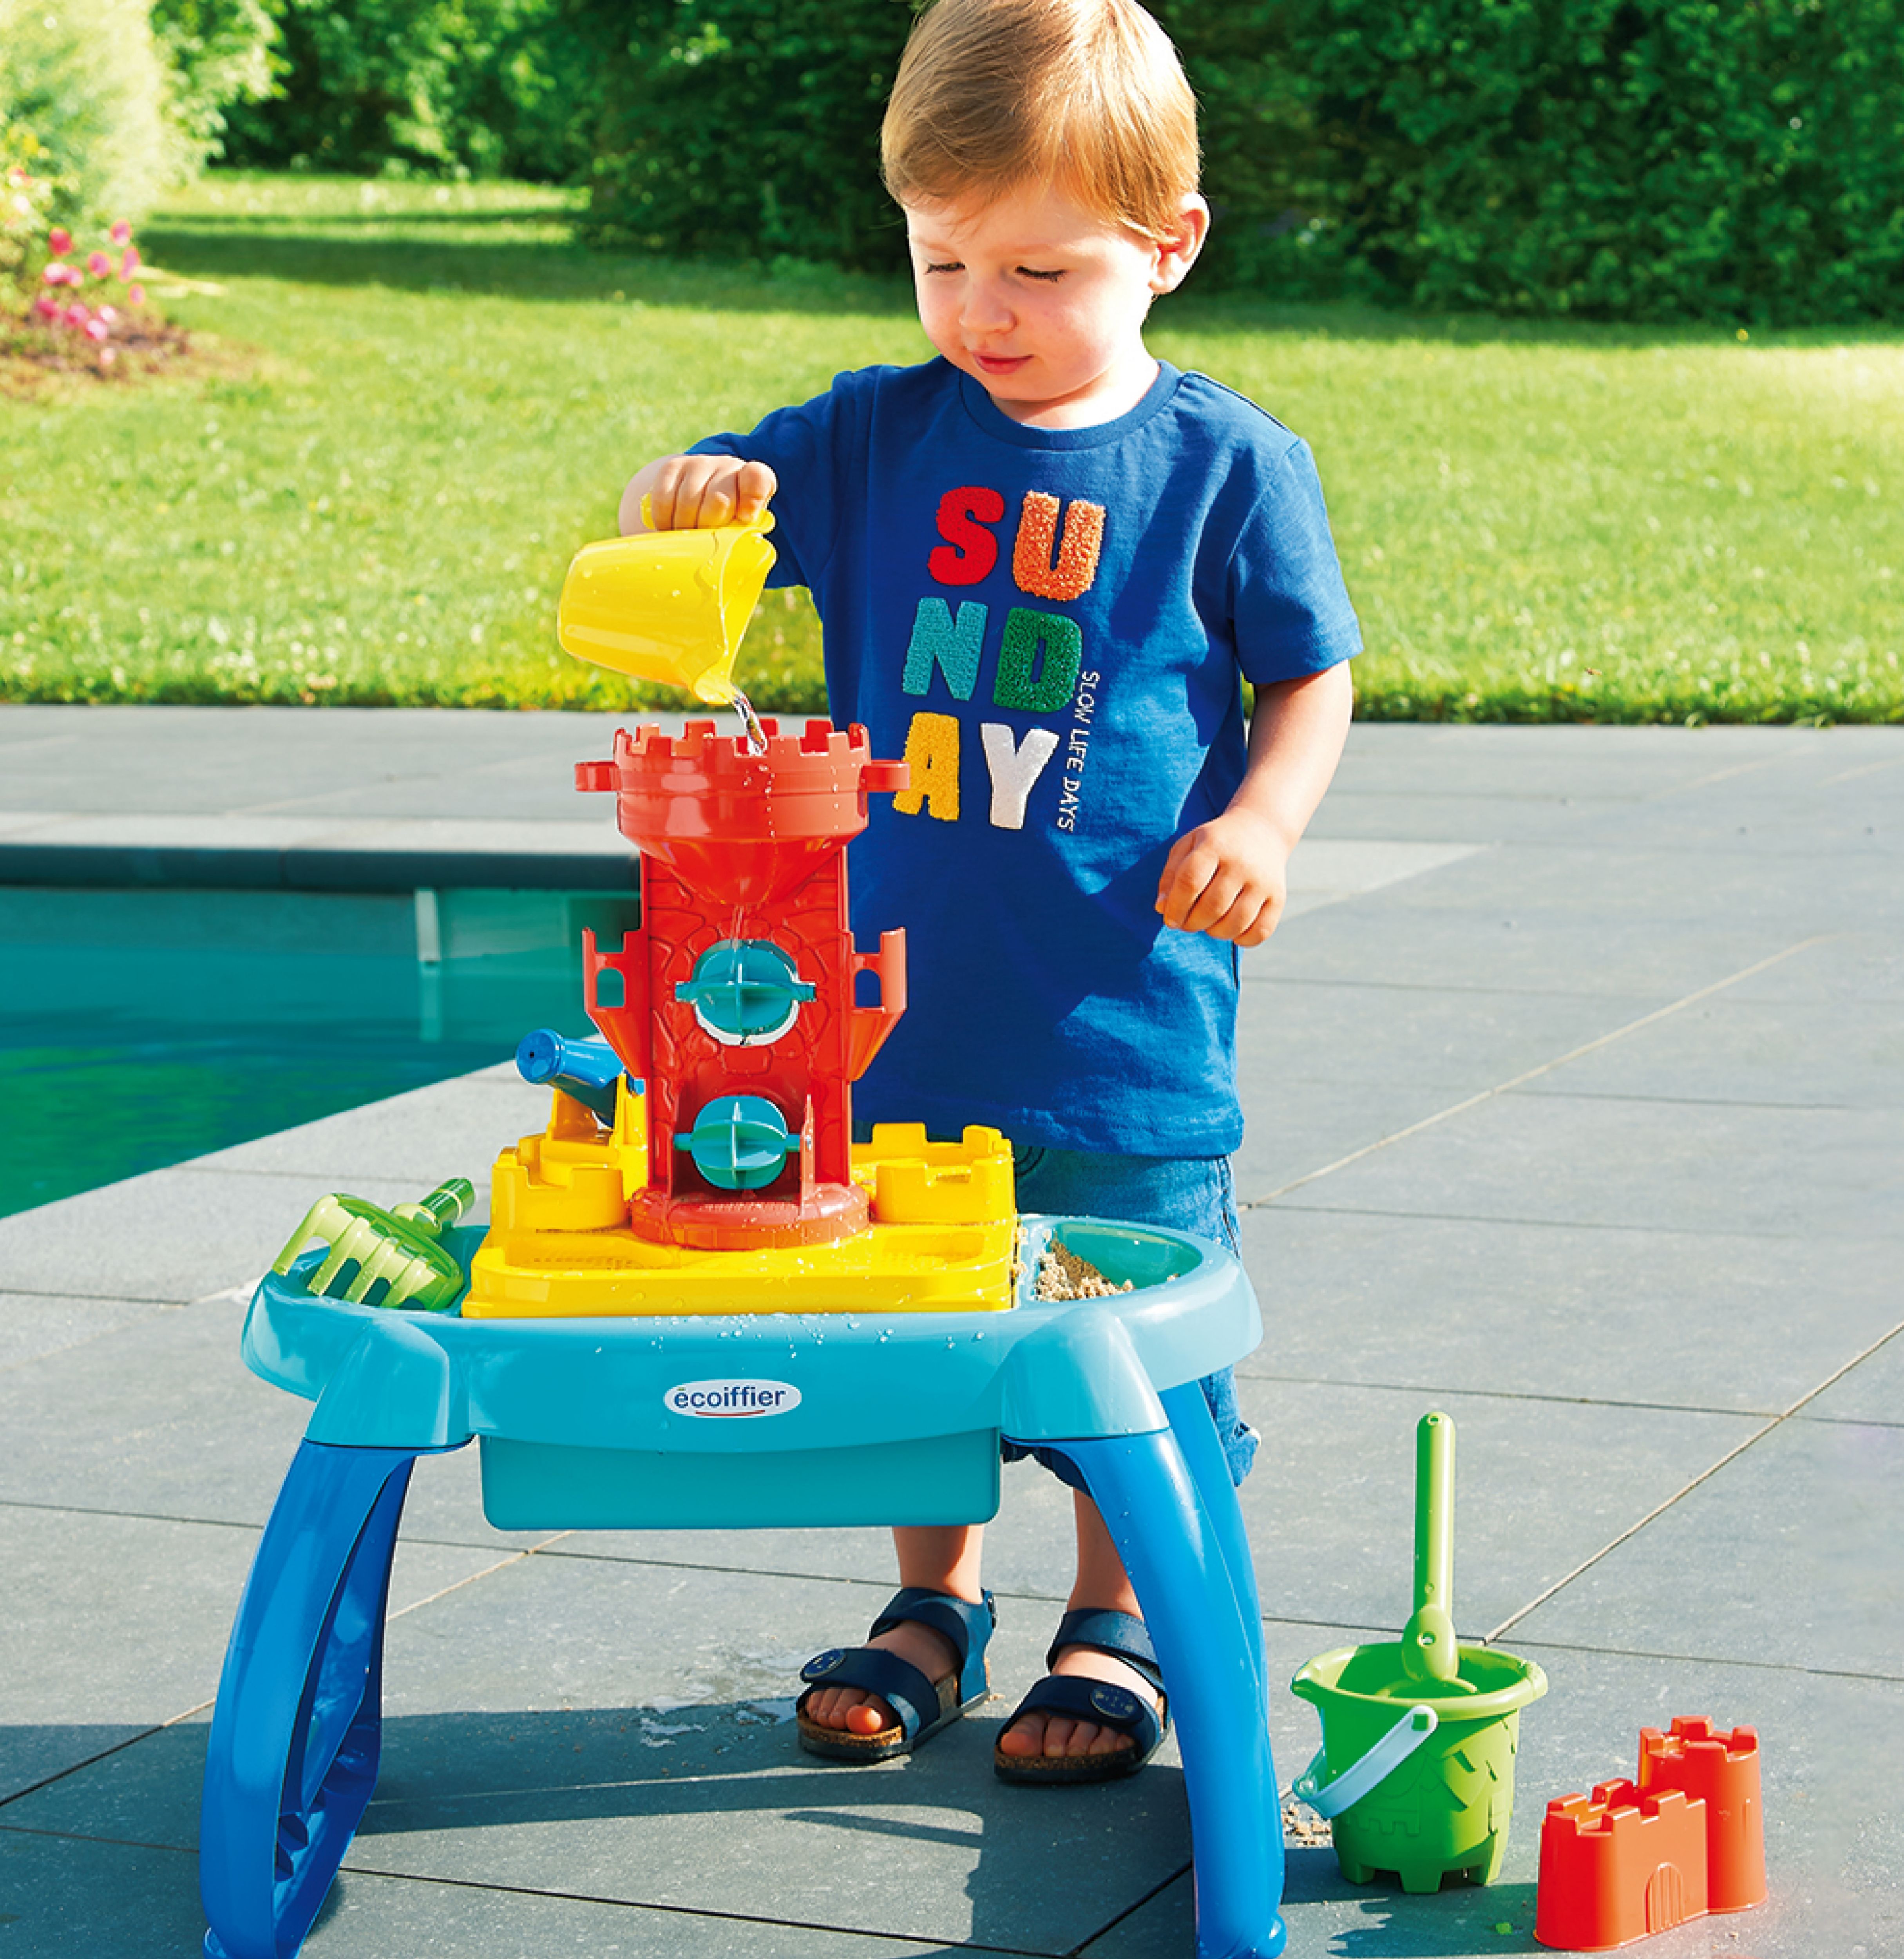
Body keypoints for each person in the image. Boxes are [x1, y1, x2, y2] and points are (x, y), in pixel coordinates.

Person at [617, 0, 1360, 1786]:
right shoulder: (875, 435)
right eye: (941, 259)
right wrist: (672, 496)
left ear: (1166, 247)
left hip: (1121, 1028)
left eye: (1036, 266)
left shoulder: (1222, 469)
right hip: (880, 1010)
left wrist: (1260, 822)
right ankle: (932, 1599)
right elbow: (700, 512)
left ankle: (1108, 1613)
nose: (982, 311)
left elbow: (1308, 678)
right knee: (897, 1337)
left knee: (1126, 1348)